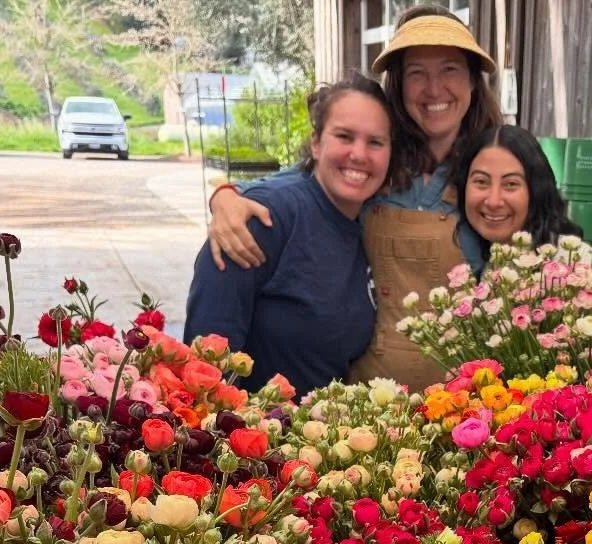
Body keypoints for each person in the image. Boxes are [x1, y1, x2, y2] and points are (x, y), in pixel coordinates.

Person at [206, 4, 502, 391]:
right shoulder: (376, 164)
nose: (434, 89)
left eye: (450, 69)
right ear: (398, 85)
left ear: (473, 82)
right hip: (366, 399)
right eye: (417, 73)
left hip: (463, 402)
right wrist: (226, 196)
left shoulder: (493, 169)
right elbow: (303, 179)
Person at [183, 74, 391, 397]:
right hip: (252, 427)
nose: (359, 154)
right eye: (344, 136)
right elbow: (205, 365)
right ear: (316, 144)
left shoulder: (367, 221)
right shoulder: (265, 217)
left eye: (375, 142)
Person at [455, 124, 582, 248]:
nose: (493, 202)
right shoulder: (457, 251)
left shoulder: (570, 258)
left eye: (511, 184)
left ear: (536, 191)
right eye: (481, 182)